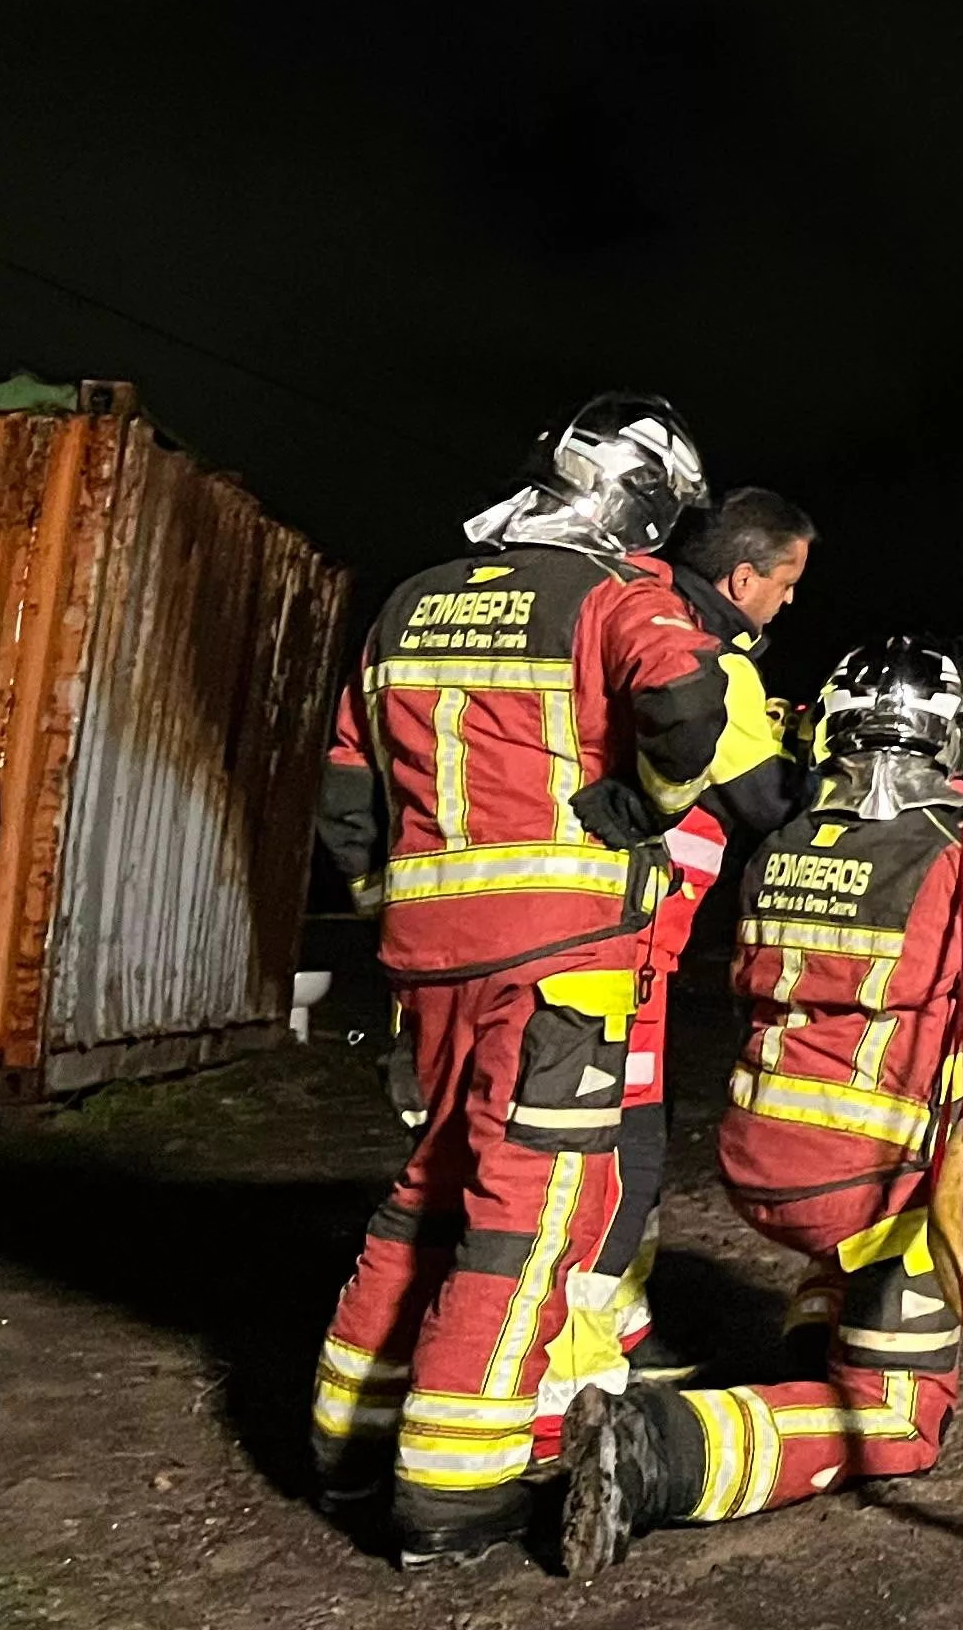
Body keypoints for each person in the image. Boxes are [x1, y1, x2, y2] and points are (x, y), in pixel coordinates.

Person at [308, 394, 737, 1563]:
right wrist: (643, 807)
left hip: (425, 963)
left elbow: (349, 791)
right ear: (636, 500)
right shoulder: (613, 594)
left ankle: (347, 1452)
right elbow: (688, 701)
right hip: (558, 961)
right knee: (528, 1219)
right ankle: (454, 1493)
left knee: (424, 1192)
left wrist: (384, 907)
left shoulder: (410, 601)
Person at [562, 638, 963, 1573]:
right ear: (947, 739)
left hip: (759, 1165)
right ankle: (655, 1454)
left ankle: (814, 1354)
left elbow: (887, 877)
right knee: (899, 1423)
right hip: (865, 1180)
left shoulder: (786, 845)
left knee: (858, 1255)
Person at [593, 488, 820, 1374]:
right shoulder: (714, 666)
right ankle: (595, 1346)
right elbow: (769, 804)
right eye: (787, 582)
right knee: (624, 1145)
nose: (790, 601)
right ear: (741, 576)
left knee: (603, 1139)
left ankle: (616, 1323)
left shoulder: (632, 621)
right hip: (627, 943)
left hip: (605, 933)